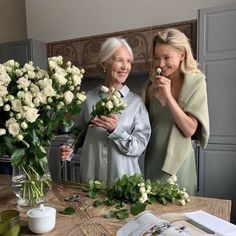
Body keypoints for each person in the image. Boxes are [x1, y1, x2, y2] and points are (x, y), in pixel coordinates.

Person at [60, 37, 151, 184]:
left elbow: (140, 147)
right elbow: (78, 133)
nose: (125, 66)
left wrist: (116, 130)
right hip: (91, 180)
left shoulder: (136, 104)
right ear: (104, 63)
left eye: (128, 61)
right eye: (119, 60)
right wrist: (70, 147)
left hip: (124, 184)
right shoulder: (88, 99)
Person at [142, 28, 209, 195]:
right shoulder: (149, 86)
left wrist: (169, 98)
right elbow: (142, 126)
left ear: (182, 55)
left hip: (180, 163)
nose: (161, 64)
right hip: (153, 160)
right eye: (157, 58)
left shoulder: (196, 83)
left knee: (181, 216)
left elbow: (189, 129)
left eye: (166, 58)